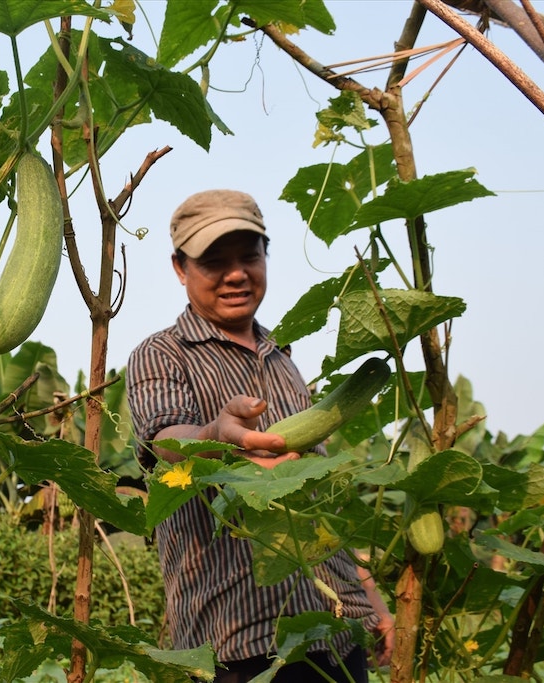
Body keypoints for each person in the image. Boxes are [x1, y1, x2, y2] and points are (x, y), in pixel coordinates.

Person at [126, 189, 394, 682]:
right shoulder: (162, 353)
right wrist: (217, 434)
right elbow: (165, 437)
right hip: (240, 641)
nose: (235, 274)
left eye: (249, 256)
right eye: (213, 261)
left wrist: (371, 601)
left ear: (265, 258)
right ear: (180, 268)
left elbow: (319, 500)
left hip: (337, 628)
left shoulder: (285, 359)